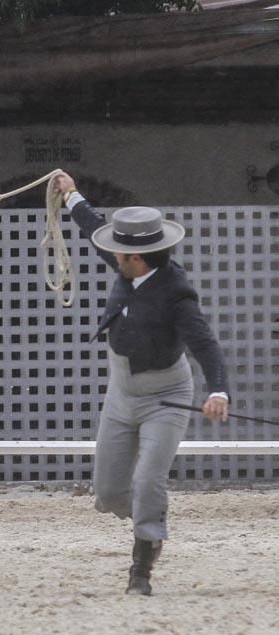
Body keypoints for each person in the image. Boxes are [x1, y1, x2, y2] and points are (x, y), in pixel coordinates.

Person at [53, 173, 229, 596]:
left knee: (149, 480)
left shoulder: (177, 294)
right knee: (109, 493)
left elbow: (205, 345)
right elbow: (94, 228)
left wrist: (218, 390)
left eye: (119, 252)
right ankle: (153, 526)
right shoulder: (129, 267)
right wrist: (70, 192)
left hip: (165, 397)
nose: (110, 253)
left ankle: (142, 565)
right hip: (121, 393)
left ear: (137, 258)